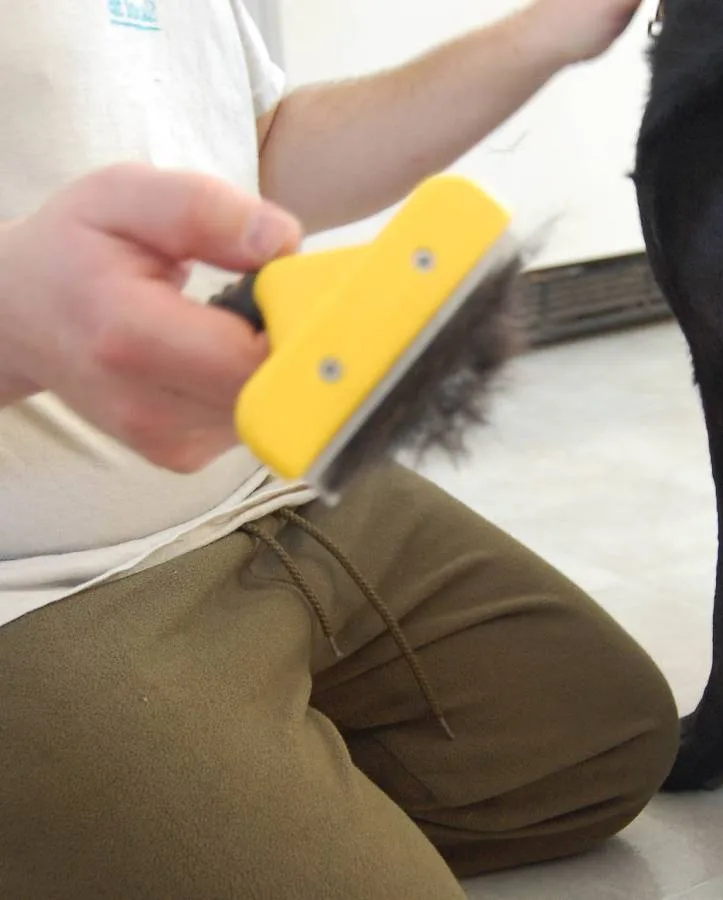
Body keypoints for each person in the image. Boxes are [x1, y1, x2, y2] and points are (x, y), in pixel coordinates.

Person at [0, 2, 679, 898]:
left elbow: (260, 150)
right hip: (39, 587)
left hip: (268, 480)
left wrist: (548, 33)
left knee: (597, 744)